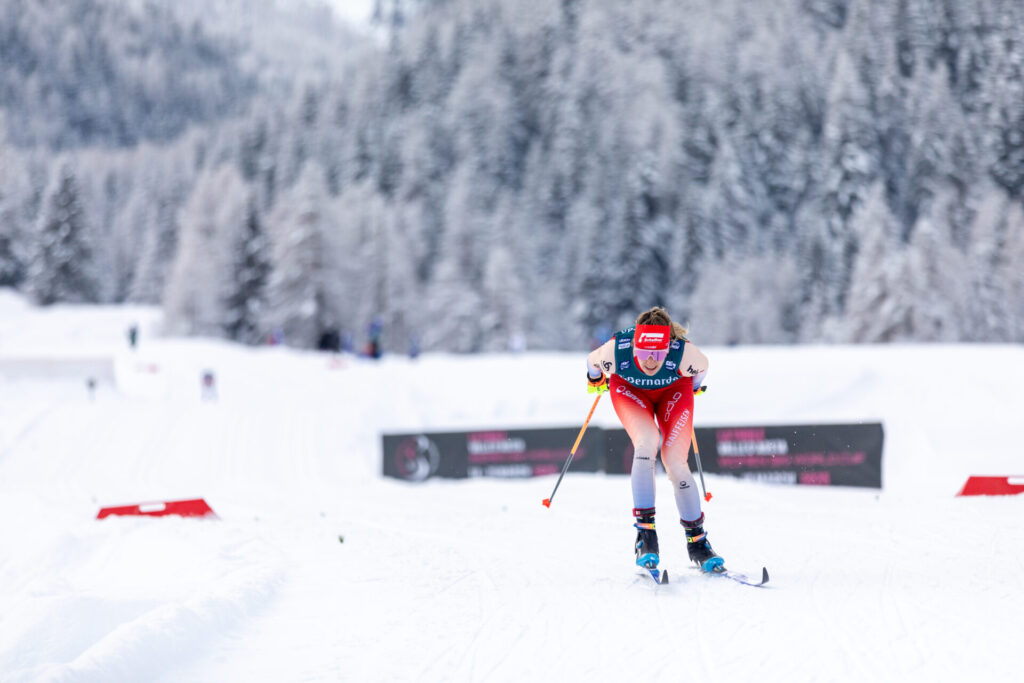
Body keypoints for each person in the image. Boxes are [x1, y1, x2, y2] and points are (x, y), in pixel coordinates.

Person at [585, 306, 722, 572]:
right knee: (647, 441)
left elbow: (702, 370)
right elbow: (592, 362)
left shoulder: (685, 353)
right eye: (644, 353)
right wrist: (597, 378)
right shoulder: (616, 349)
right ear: (634, 347)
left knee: (674, 460)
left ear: (667, 347)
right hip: (629, 389)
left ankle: (698, 542)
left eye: (657, 354)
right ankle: (646, 536)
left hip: (674, 391)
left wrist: (694, 387)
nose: (650, 361)